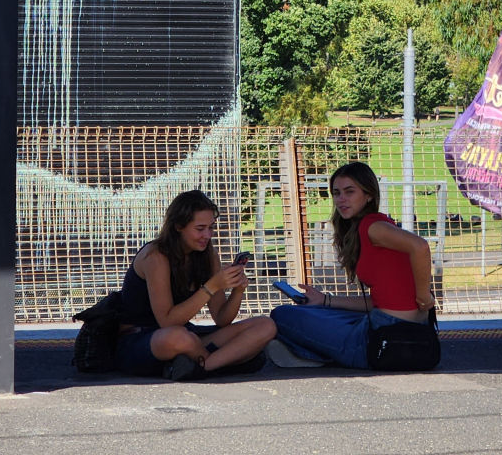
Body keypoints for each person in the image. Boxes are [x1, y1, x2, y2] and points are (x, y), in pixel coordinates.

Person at [269, 162, 435, 368]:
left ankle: (313, 355)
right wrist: (325, 300)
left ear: (369, 195)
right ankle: (318, 350)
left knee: (282, 315)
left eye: (349, 192)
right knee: (318, 311)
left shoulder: (372, 226)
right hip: (404, 327)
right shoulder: (381, 223)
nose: (341, 199)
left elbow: (420, 247)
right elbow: (379, 301)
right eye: (336, 193)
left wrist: (424, 297)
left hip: (382, 338)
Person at [116, 189, 277, 380]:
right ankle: (227, 361)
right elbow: (167, 322)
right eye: (200, 229)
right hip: (145, 340)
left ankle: (205, 366)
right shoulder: (156, 255)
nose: (207, 235)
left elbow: (222, 319)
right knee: (179, 337)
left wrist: (237, 290)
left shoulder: (207, 255)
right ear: (178, 226)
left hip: (190, 338)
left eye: (211, 227)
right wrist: (211, 287)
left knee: (266, 325)